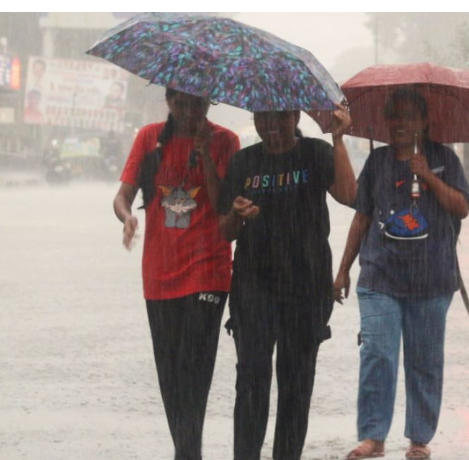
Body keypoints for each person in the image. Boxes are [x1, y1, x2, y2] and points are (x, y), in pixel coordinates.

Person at [334, 88, 469, 460]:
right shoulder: (377, 162)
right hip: (380, 278)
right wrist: (343, 269)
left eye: (409, 116)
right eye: (394, 116)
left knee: (424, 359)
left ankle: (419, 437)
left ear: (425, 122)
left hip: (432, 280)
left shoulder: (444, 158)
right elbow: (362, 214)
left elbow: (462, 207)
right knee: (378, 354)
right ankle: (373, 436)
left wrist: (428, 175)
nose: (400, 123)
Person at [218, 106, 356, 460]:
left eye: (280, 117)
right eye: (263, 118)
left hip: (306, 287)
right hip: (252, 287)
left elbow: (349, 195)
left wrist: (338, 139)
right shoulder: (243, 162)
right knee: (251, 381)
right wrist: (236, 213)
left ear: (295, 117)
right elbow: (225, 232)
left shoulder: (316, 153)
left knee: (296, 386)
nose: (271, 126)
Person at [113, 88, 240, 460]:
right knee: (170, 373)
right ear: (168, 100)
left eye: (197, 104)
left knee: (193, 365)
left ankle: (187, 453)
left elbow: (222, 207)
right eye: (181, 104)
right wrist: (128, 217)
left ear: (209, 103)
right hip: (160, 274)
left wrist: (203, 154)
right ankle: (187, 450)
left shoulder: (226, 142)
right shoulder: (149, 138)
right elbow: (122, 195)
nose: (189, 112)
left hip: (209, 271)